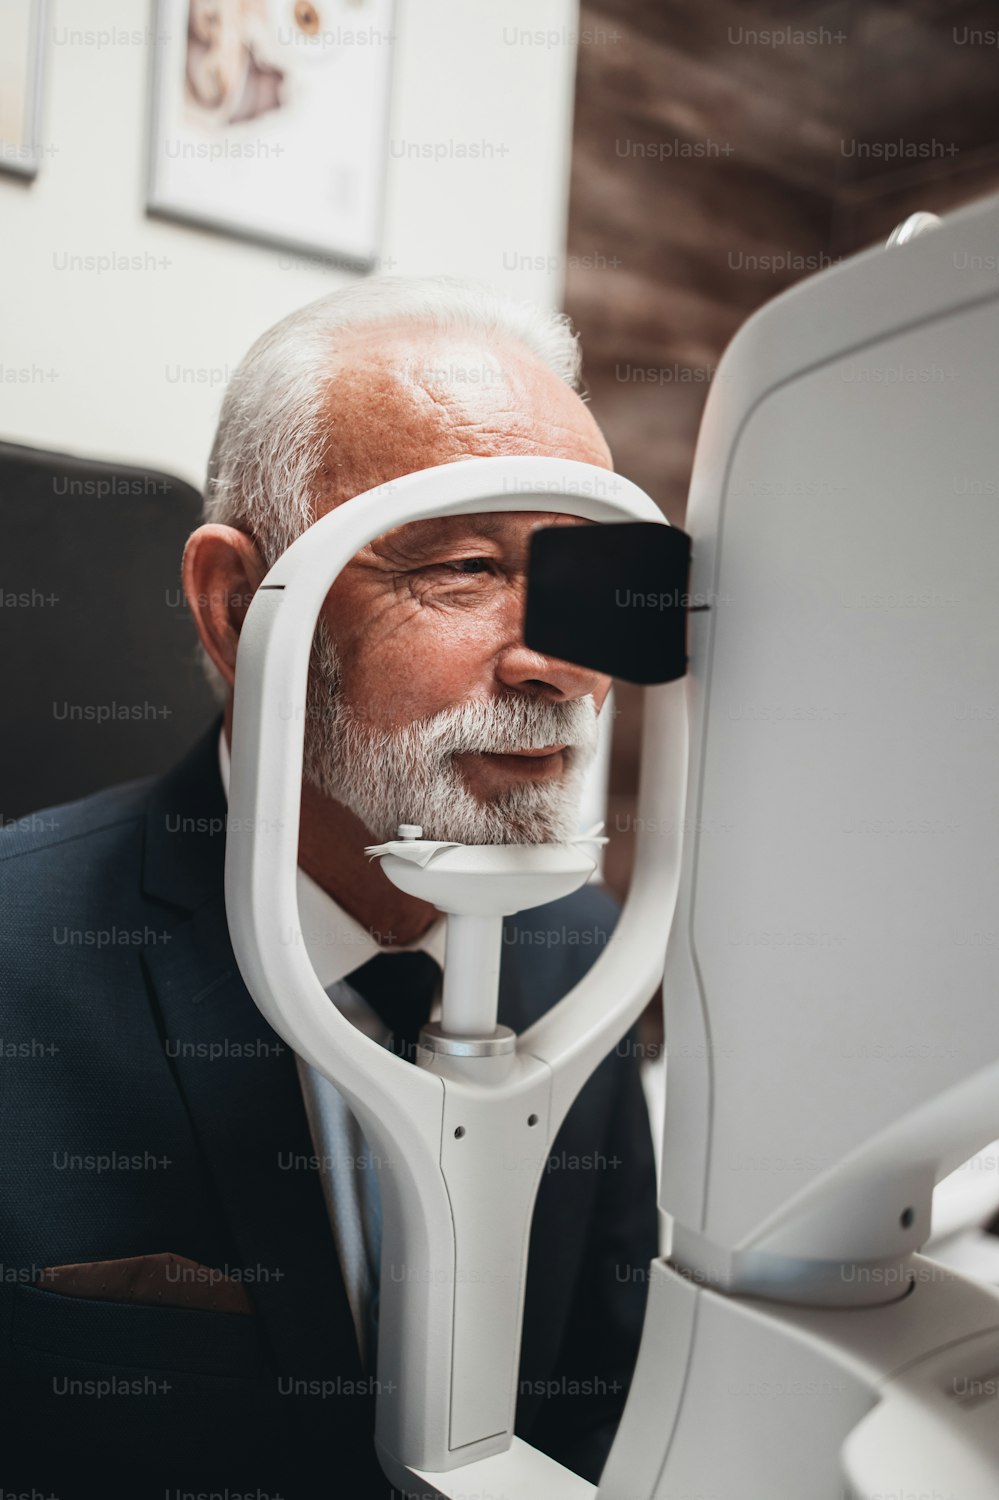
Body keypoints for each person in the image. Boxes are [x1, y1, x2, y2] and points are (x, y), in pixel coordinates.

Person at [0, 277, 657, 1499]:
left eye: (585, 582)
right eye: (463, 565)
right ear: (236, 607)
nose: (561, 664)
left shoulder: (579, 955)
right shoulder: (17, 961)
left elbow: (589, 1386)